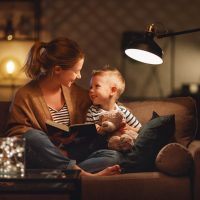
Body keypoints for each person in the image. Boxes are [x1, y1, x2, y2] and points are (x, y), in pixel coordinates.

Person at [5, 37, 121, 176]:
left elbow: (109, 107)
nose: (79, 76)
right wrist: (52, 143)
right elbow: (15, 137)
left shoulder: (77, 94)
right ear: (58, 69)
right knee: (31, 136)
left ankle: (63, 174)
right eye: (76, 71)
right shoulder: (25, 95)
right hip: (43, 156)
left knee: (114, 157)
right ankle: (79, 173)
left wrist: (119, 122)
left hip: (72, 155)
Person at [85, 66, 142, 146]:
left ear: (112, 90)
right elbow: (86, 134)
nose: (91, 90)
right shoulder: (92, 111)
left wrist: (129, 128)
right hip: (102, 148)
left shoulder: (123, 111)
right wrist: (94, 129)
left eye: (97, 86)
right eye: (90, 87)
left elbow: (141, 130)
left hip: (122, 147)